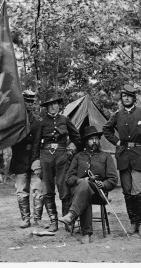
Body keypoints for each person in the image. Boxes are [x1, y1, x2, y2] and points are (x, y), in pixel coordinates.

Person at [102, 84, 141, 237]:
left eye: (129, 95)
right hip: (123, 156)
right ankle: (133, 223)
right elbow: (106, 129)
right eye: (123, 96)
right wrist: (117, 141)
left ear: (134, 98)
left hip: (139, 156)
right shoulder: (118, 114)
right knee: (127, 192)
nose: (126, 98)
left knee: (138, 191)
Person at [31, 91, 81, 232]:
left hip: (62, 156)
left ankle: (66, 221)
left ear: (59, 106)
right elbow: (35, 144)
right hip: (46, 157)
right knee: (48, 189)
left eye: (55, 104)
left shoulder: (65, 120)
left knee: (64, 188)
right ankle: (53, 221)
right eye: (50, 105)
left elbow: (77, 137)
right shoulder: (42, 122)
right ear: (46, 107)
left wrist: (72, 150)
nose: (53, 107)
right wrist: (35, 162)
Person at [58, 126, 118, 244]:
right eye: (91, 139)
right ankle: (86, 233)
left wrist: (104, 184)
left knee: (85, 188)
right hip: (80, 191)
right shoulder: (78, 156)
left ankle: (72, 217)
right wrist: (79, 181)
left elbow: (113, 179)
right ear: (86, 141)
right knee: (85, 187)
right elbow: (69, 178)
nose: (94, 141)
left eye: (96, 138)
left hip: (99, 192)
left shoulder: (106, 157)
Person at [9, 90, 44, 228]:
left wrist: (36, 160)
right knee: (21, 191)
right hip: (19, 158)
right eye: (27, 101)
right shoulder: (14, 119)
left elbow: (37, 143)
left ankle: (37, 219)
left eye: (31, 101)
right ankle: (25, 219)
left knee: (38, 190)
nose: (29, 104)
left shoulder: (37, 121)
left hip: (34, 158)